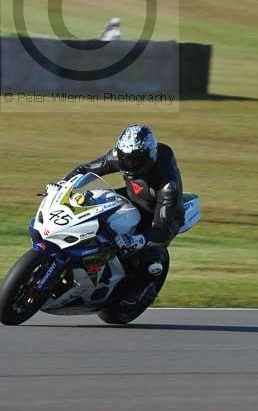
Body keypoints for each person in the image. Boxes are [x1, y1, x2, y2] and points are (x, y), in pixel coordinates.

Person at [64, 124, 184, 308]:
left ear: (148, 157)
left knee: (150, 256)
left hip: (161, 215)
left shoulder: (167, 184)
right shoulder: (120, 156)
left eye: (135, 160)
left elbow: (162, 228)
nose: (128, 164)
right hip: (132, 197)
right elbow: (86, 170)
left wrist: (137, 240)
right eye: (124, 158)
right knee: (92, 206)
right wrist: (62, 185)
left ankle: (142, 288)